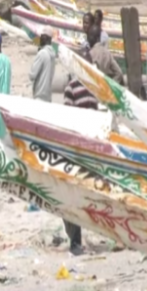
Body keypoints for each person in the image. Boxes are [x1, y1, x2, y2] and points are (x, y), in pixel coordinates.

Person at [62, 57, 100, 255]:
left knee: (70, 196)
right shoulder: (93, 90)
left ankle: (75, 241)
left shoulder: (71, 88)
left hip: (75, 150)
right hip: (90, 150)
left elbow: (67, 119)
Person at [29, 27, 56, 103]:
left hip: (39, 95)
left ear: (46, 38)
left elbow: (32, 75)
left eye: (42, 36)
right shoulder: (53, 54)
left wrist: (37, 56)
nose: (40, 38)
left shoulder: (42, 54)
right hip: (48, 96)